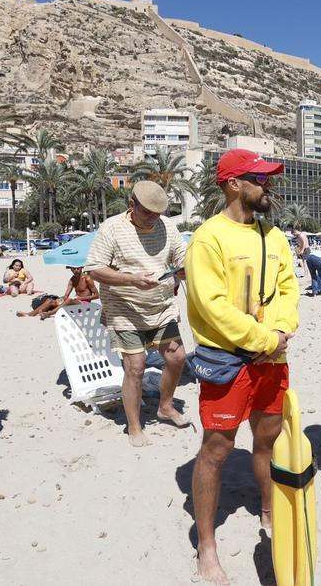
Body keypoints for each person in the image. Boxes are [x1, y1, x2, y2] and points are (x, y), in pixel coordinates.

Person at [184, 149, 299, 584]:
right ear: (234, 184)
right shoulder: (208, 238)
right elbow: (211, 308)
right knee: (216, 450)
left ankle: (268, 511)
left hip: (274, 356)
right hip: (228, 360)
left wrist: (282, 331)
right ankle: (207, 547)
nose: (268, 185)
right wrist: (265, 340)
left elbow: (289, 288)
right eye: (259, 178)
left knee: (267, 440)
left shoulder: (274, 236)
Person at [85, 180, 190, 446]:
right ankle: (134, 427)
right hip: (125, 309)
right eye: (147, 212)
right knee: (136, 367)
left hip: (160, 306)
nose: (154, 218)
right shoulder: (112, 227)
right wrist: (131, 280)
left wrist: (185, 268)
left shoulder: (167, 226)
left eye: (158, 213)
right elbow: (94, 269)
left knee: (177, 358)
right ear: (131, 205)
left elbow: (183, 256)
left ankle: (165, 407)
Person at [17, 266, 99, 319]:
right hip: (75, 302)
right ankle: (30, 314)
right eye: (73, 269)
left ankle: (48, 314)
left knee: (69, 300)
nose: (76, 271)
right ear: (70, 269)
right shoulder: (72, 280)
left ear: (81, 268)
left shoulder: (87, 279)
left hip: (85, 304)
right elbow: (66, 295)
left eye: (78, 268)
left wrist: (80, 298)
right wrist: (60, 299)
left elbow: (97, 295)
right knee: (50, 300)